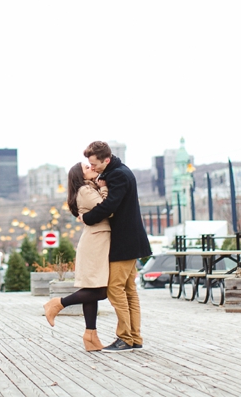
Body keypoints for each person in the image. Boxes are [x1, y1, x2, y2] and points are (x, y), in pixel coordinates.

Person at [78, 141, 151, 353]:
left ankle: (125, 338)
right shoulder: (120, 171)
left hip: (124, 241)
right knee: (129, 290)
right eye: (89, 165)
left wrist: (87, 217)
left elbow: (110, 206)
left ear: (106, 160)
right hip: (131, 240)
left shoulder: (117, 175)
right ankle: (134, 337)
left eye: (95, 164)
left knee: (115, 288)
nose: (93, 167)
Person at [43, 162, 111, 351]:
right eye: (87, 168)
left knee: (93, 290)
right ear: (80, 176)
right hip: (95, 242)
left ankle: (91, 336)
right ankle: (57, 303)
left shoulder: (88, 188)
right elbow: (106, 209)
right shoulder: (84, 190)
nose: (91, 168)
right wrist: (104, 188)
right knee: (101, 291)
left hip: (98, 240)